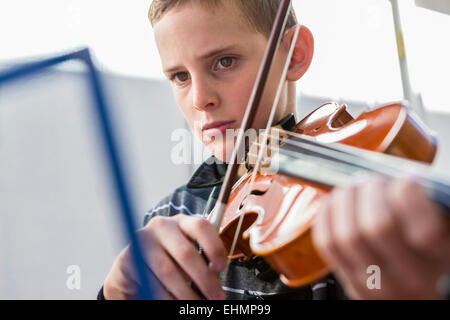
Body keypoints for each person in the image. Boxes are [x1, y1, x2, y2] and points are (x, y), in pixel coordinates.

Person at [99, 0, 450, 300]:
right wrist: (115, 292)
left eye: (224, 61)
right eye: (180, 76)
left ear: (294, 55)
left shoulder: (354, 215)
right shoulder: (172, 215)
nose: (200, 98)